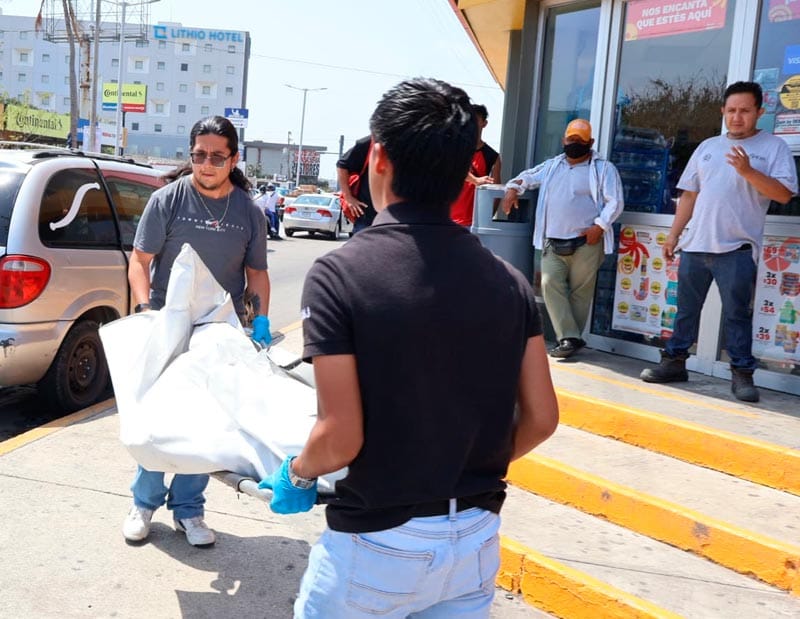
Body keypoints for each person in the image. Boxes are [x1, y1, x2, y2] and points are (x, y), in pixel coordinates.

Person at [258, 77, 560, 618]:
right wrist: (454, 468)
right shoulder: (510, 282)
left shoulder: (339, 274)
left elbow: (340, 436)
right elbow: (541, 419)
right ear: (463, 167)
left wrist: (298, 474)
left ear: (377, 154)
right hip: (475, 537)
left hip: (377, 544)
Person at [123, 115, 272, 547]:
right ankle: (144, 503)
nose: (206, 164)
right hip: (168, 322)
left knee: (205, 425)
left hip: (219, 329)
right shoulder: (168, 199)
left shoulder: (248, 211)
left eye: (216, 156)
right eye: (199, 155)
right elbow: (140, 260)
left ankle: (189, 510)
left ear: (234, 159)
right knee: (159, 419)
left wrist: (259, 319)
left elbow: (257, 272)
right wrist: (143, 309)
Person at [640, 81, 797, 402]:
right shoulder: (708, 146)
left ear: (759, 113)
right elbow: (689, 195)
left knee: (737, 314)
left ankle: (742, 375)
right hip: (696, 245)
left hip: (737, 249)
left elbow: (782, 193)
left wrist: (748, 170)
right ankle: (674, 363)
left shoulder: (773, 148)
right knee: (685, 311)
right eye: (731, 111)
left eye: (745, 111)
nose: (737, 117)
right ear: (723, 112)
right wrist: (673, 235)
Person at [500, 118, 624, 359]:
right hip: (553, 242)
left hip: (587, 241)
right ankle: (570, 337)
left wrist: (600, 226)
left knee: (580, 293)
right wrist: (512, 189)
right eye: (571, 139)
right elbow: (526, 177)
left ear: (591, 142)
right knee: (549, 284)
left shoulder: (603, 168)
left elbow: (615, 201)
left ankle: (568, 341)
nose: (574, 143)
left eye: (580, 140)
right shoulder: (552, 165)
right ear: (563, 140)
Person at [450, 104, 502, 227]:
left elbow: (497, 190)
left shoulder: (492, 156)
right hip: (446, 220)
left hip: (473, 223)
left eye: (475, 120)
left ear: (484, 123)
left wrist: (486, 219)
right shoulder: (454, 148)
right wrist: (475, 180)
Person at [337, 135, 375, 234]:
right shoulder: (369, 143)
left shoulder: (413, 140)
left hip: (401, 218)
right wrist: (348, 197)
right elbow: (342, 165)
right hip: (366, 218)